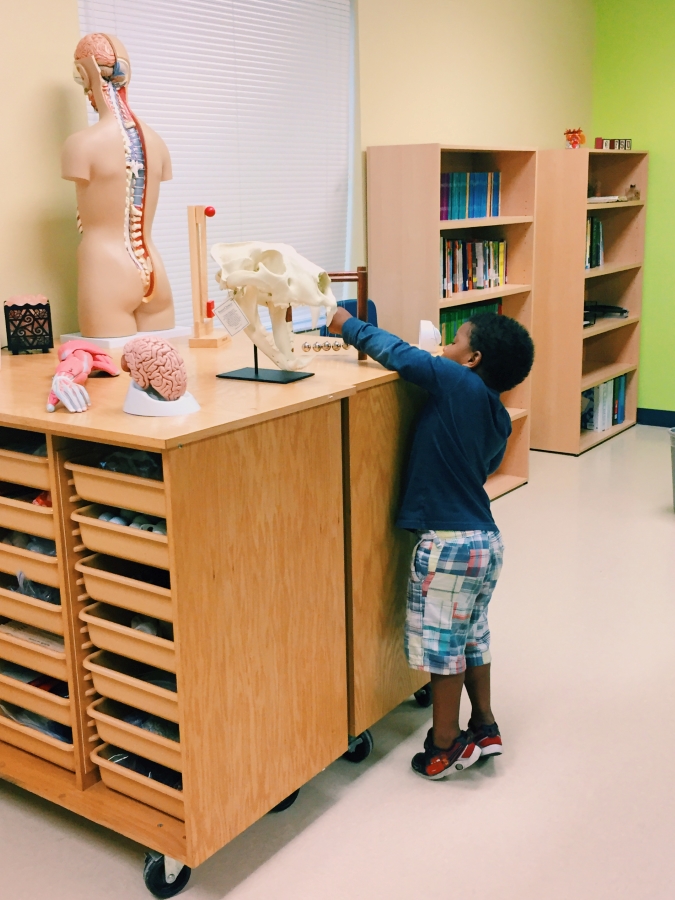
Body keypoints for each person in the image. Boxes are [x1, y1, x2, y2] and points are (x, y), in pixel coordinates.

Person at [329, 308, 534, 780]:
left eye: (456, 338)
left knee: (443, 649)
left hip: (447, 546)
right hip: (485, 542)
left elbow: (400, 355)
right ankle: (485, 724)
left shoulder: (452, 380)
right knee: (473, 636)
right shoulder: (498, 416)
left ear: (472, 358)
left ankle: (444, 744)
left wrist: (345, 324)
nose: (447, 343)